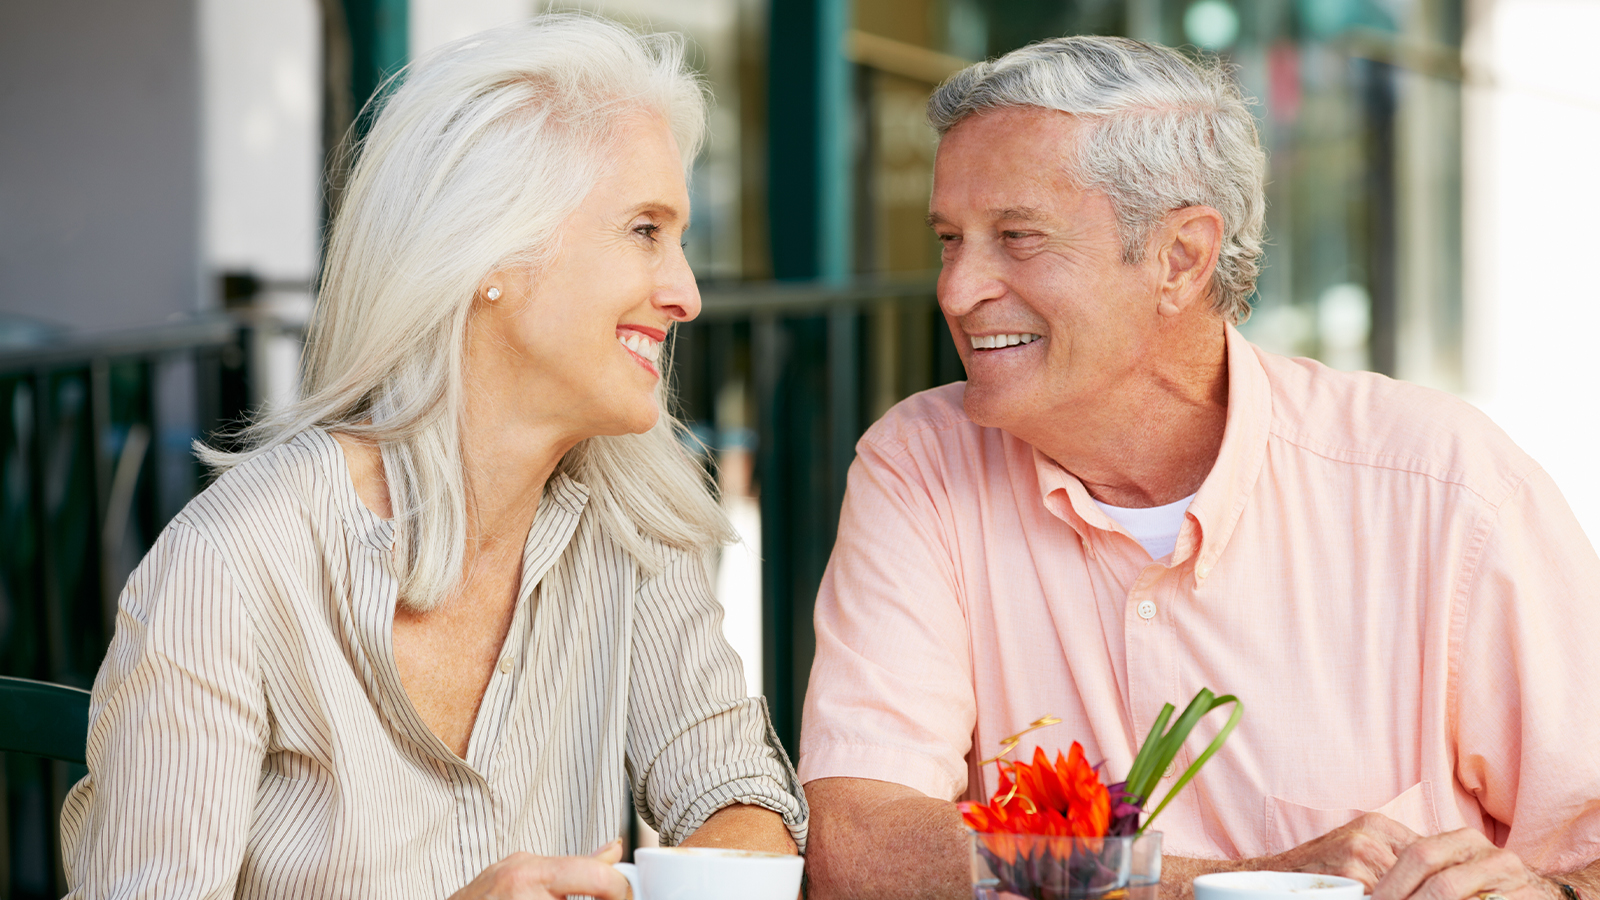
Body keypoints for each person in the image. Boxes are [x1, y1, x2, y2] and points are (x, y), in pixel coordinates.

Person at [798, 35, 1600, 900]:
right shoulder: (920, 466)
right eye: (952, 239)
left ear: (1181, 258)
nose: (957, 289)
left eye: (1017, 238)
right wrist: (1230, 885)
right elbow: (861, 844)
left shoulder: (1449, 492)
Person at [61, 15, 805, 899]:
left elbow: (734, 786)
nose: (684, 294)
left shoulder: (630, 512)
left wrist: (729, 854)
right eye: (645, 229)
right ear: (491, 249)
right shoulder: (234, 565)